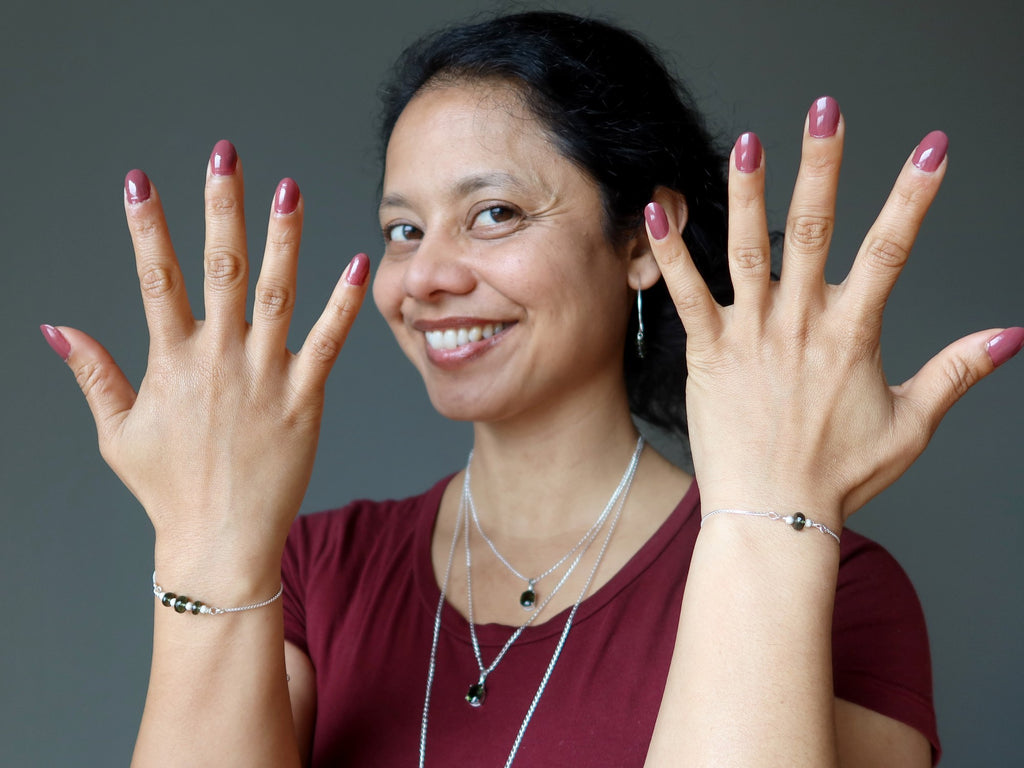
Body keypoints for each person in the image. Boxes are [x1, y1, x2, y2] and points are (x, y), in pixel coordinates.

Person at [38, 11, 1021, 768]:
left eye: (494, 213)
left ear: (642, 240)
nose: (424, 277)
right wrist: (208, 536)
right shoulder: (312, 574)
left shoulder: (842, 591)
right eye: (403, 230)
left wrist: (770, 514)